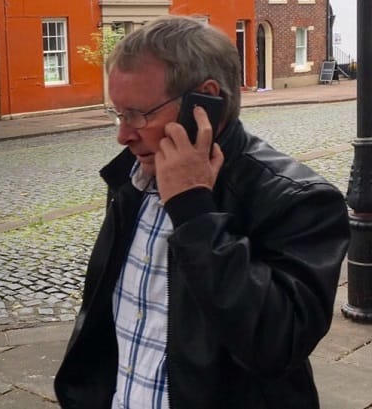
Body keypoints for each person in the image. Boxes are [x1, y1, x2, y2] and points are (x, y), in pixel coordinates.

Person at [54, 15, 349, 409]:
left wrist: (194, 213)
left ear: (204, 103)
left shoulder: (298, 199)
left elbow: (276, 345)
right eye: (118, 114)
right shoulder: (133, 176)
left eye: (138, 115)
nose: (122, 135)